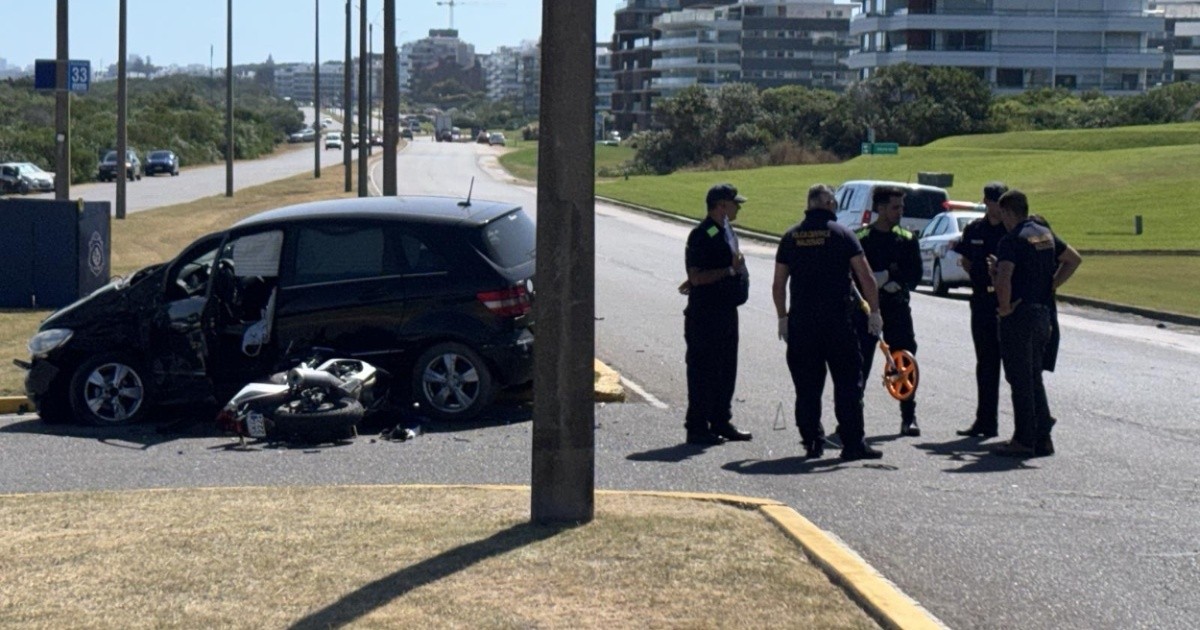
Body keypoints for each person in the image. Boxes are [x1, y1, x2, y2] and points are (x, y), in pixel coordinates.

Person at [773, 184, 884, 461]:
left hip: (802, 323)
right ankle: (853, 444)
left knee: (807, 386)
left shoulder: (791, 237)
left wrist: (782, 317)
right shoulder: (843, 234)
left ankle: (812, 441)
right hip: (837, 323)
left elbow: (779, 283)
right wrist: (874, 313)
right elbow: (866, 277)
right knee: (848, 384)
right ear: (829, 204)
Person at [990, 190, 1082, 457]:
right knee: (1033, 377)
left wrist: (1004, 308)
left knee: (1019, 379)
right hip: (1043, 313)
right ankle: (1043, 438)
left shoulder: (1012, 240)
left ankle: (1023, 439)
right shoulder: (1044, 234)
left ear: (1008, 212)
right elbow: (1073, 259)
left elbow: (1005, 278)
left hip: (1019, 315)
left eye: (1002, 214)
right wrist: (1050, 284)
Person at [681, 183, 754, 445]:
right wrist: (730, 271)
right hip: (706, 316)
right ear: (721, 205)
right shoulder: (702, 234)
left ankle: (721, 420)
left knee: (726, 369)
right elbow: (697, 276)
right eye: (735, 204)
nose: (738, 209)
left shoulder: (723, 231)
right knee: (703, 372)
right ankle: (698, 426)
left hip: (725, 312)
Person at [855, 186, 924, 437]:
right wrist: (876, 281)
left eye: (902, 207)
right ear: (880, 208)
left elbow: (915, 274)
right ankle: (852, 417)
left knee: (905, 360)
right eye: (895, 207)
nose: (900, 212)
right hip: (867, 310)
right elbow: (853, 275)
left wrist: (896, 279)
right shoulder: (861, 238)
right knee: (859, 362)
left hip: (896, 308)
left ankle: (909, 416)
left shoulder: (906, 238)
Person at [953, 182, 1010, 439]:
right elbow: (965, 260)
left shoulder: (1011, 230)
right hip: (982, 301)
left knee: (1014, 366)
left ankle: (1029, 425)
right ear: (986, 201)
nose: (999, 206)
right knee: (986, 364)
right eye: (996, 201)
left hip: (1006, 303)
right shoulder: (975, 229)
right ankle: (986, 420)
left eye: (1003, 201)